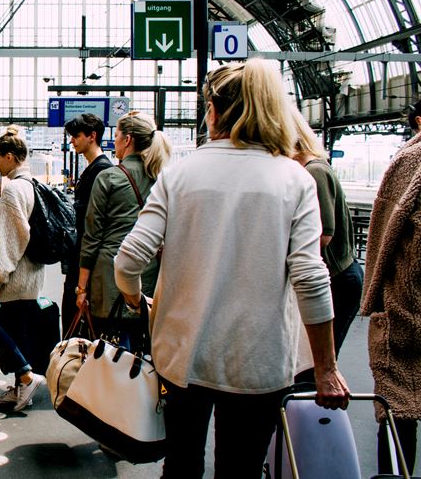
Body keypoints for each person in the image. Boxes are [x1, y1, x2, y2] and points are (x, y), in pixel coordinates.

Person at [113, 59, 350, 477]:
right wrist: (326, 368)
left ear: (214, 111)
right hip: (257, 363)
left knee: (182, 463)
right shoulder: (294, 181)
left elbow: (129, 259)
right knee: (240, 469)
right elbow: (311, 279)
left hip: (183, 354)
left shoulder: (179, 175)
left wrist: (138, 301)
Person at [75, 111, 171, 341]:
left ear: (127, 139)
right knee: (142, 351)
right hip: (148, 277)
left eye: (116, 135)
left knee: (110, 355)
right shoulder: (162, 178)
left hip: (108, 279)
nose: (114, 140)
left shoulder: (109, 177)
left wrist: (81, 288)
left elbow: (92, 238)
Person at [361, 128, 420, 475]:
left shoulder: (410, 160)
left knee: (399, 412)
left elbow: (384, 237)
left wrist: (375, 301)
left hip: (406, 308)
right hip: (407, 307)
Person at [0, 127, 47, 411]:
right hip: (32, 273)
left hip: (14, 279)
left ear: (9, 157)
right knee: (17, 331)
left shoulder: (12, 191)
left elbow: (10, 242)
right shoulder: (32, 185)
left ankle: (27, 377)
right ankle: (20, 387)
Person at [291, 117, 363, 355]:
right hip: (340, 276)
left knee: (320, 356)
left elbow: (322, 236)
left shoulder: (315, 172)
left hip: (339, 279)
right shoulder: (316, 168)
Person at [61, 113, 112, 331]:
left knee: (76, 326)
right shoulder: (93, 169)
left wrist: (83, 285)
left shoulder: (100, 172)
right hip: (82, 258)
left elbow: (94, 229)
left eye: (76, 136)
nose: (72, 140)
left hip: (85, 261)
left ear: (92, 136)